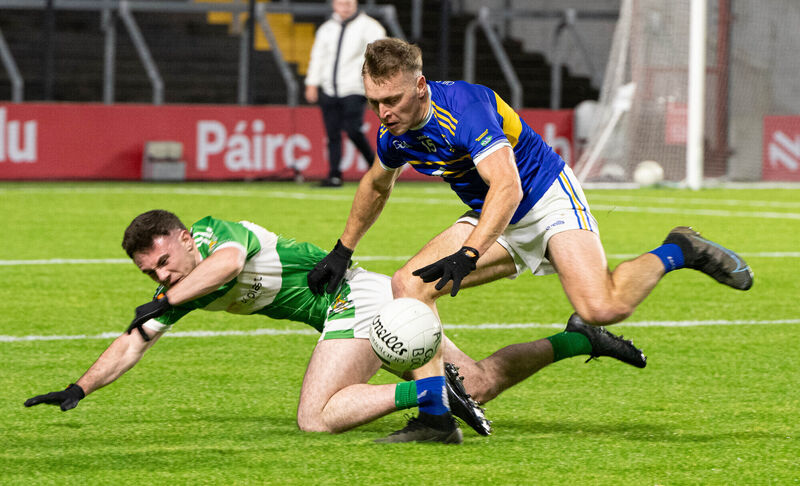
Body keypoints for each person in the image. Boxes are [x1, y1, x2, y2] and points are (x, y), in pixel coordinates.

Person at [306, 38, 753, 432]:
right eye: (374, 102)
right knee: (409, 285)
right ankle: (436, 417)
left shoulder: (466, 108)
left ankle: (679, 248)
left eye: (393, 99)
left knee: (603, 306)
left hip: (545, 199)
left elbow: (508, 185)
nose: (384, 112)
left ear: (420, 86)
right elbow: (376, 185)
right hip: (494, 215)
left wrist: (468, 252)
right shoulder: (395, 134)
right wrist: (343, 250)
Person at [24, 210, 646, 444]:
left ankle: (428, 396)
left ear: (184, 238)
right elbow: (133, 341)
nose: (157, 274)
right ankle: (578, 338)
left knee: (316, 417)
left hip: (359, 302)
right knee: (479, 381)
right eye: (149, 271)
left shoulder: (215, 240)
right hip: (376, 304)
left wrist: (165, 299)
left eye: (163, 259)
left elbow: (229, 265)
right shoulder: (178, 289)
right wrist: (80, 388)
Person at [304, 0, 385, 187]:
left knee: (352, 129)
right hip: (329, 89)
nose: (345, 5)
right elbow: (318, 57)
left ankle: (377, 168)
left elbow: (378, 58)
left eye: (349, 2)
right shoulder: (326, 29)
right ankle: (334, 175)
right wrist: (312, 83)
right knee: (332, 133)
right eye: (341, 2)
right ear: (333, 4)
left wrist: (373, 82)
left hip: (354, 88)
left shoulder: (370, 27)